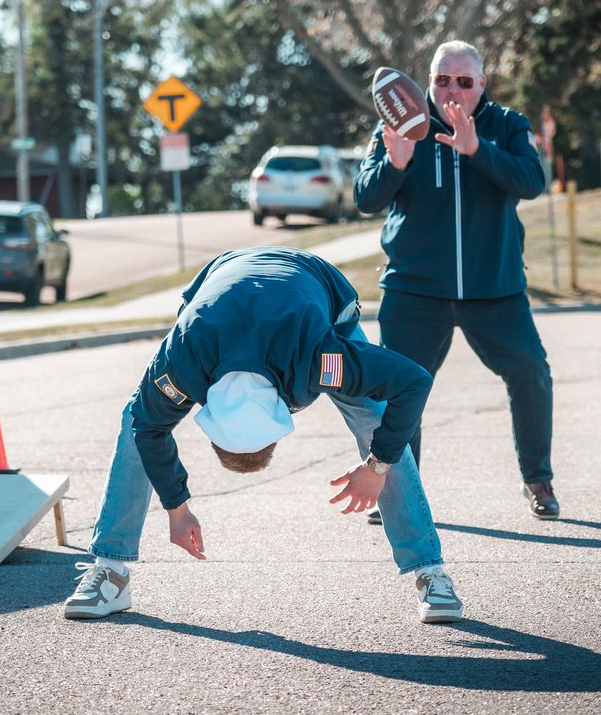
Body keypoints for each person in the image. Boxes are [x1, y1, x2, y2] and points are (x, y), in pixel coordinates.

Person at [63, 246, 463, 624]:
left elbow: (412, 381)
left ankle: (429, 571)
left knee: (375, 422)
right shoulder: (186, 360)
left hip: (311, 281)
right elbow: (147, 426)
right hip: (219, 289)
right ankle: (110, 569)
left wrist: (377, 465)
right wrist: (176, 506)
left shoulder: (319, 359)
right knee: (137, 417)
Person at [355, 39, 559, 521]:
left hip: (496, 289)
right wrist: (397, 162)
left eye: (464, 81)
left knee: (531, 372)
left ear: (481, 85)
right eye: (442, 79)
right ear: (428, 81)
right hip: (415, 289)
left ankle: (539, 480)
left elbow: (531, 181)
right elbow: (366, 196)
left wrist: (477, 150)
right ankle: (399, 491)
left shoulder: (508, 126)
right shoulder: (400, 124)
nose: (452, 90)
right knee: (400, 389)